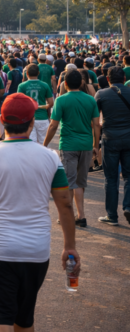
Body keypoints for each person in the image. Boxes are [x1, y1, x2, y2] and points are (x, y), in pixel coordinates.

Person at [0, 93, 80, 332]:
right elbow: (65, 205)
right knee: (24, 319)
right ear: (31, 123)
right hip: (36, 251)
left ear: (2, 121)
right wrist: (70, 246)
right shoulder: (50, 157)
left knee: (1, 320)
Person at [43, 69, 100, 228]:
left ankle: (67, 215)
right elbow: (96, 124)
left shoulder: (61, 100)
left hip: (68, 145)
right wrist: (96, 146)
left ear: (65, 83)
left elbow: (53, 125)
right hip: (86, 144)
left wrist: (44, 145)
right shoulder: (90, 100)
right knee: (80, 182)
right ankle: (81, 216)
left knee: (68, 181)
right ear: (82, 83)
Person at [94, 66, 130, 226]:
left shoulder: (101, 94)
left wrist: (95, 143)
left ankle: (112, 216)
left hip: (110, 138)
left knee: (111, 178)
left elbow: (96, 121)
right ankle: (128, 207)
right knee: (129, 176)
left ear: (107, 79)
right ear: (124, 79)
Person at [16, 64, 53, 144]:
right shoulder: (45, 85)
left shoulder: (22, 86)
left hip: (28, 118)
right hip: (42, 118)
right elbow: (51, 103)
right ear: (38, 73)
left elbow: (19, 104)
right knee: (44, 144)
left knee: (31, 144)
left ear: (27, 73)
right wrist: (43, 106)